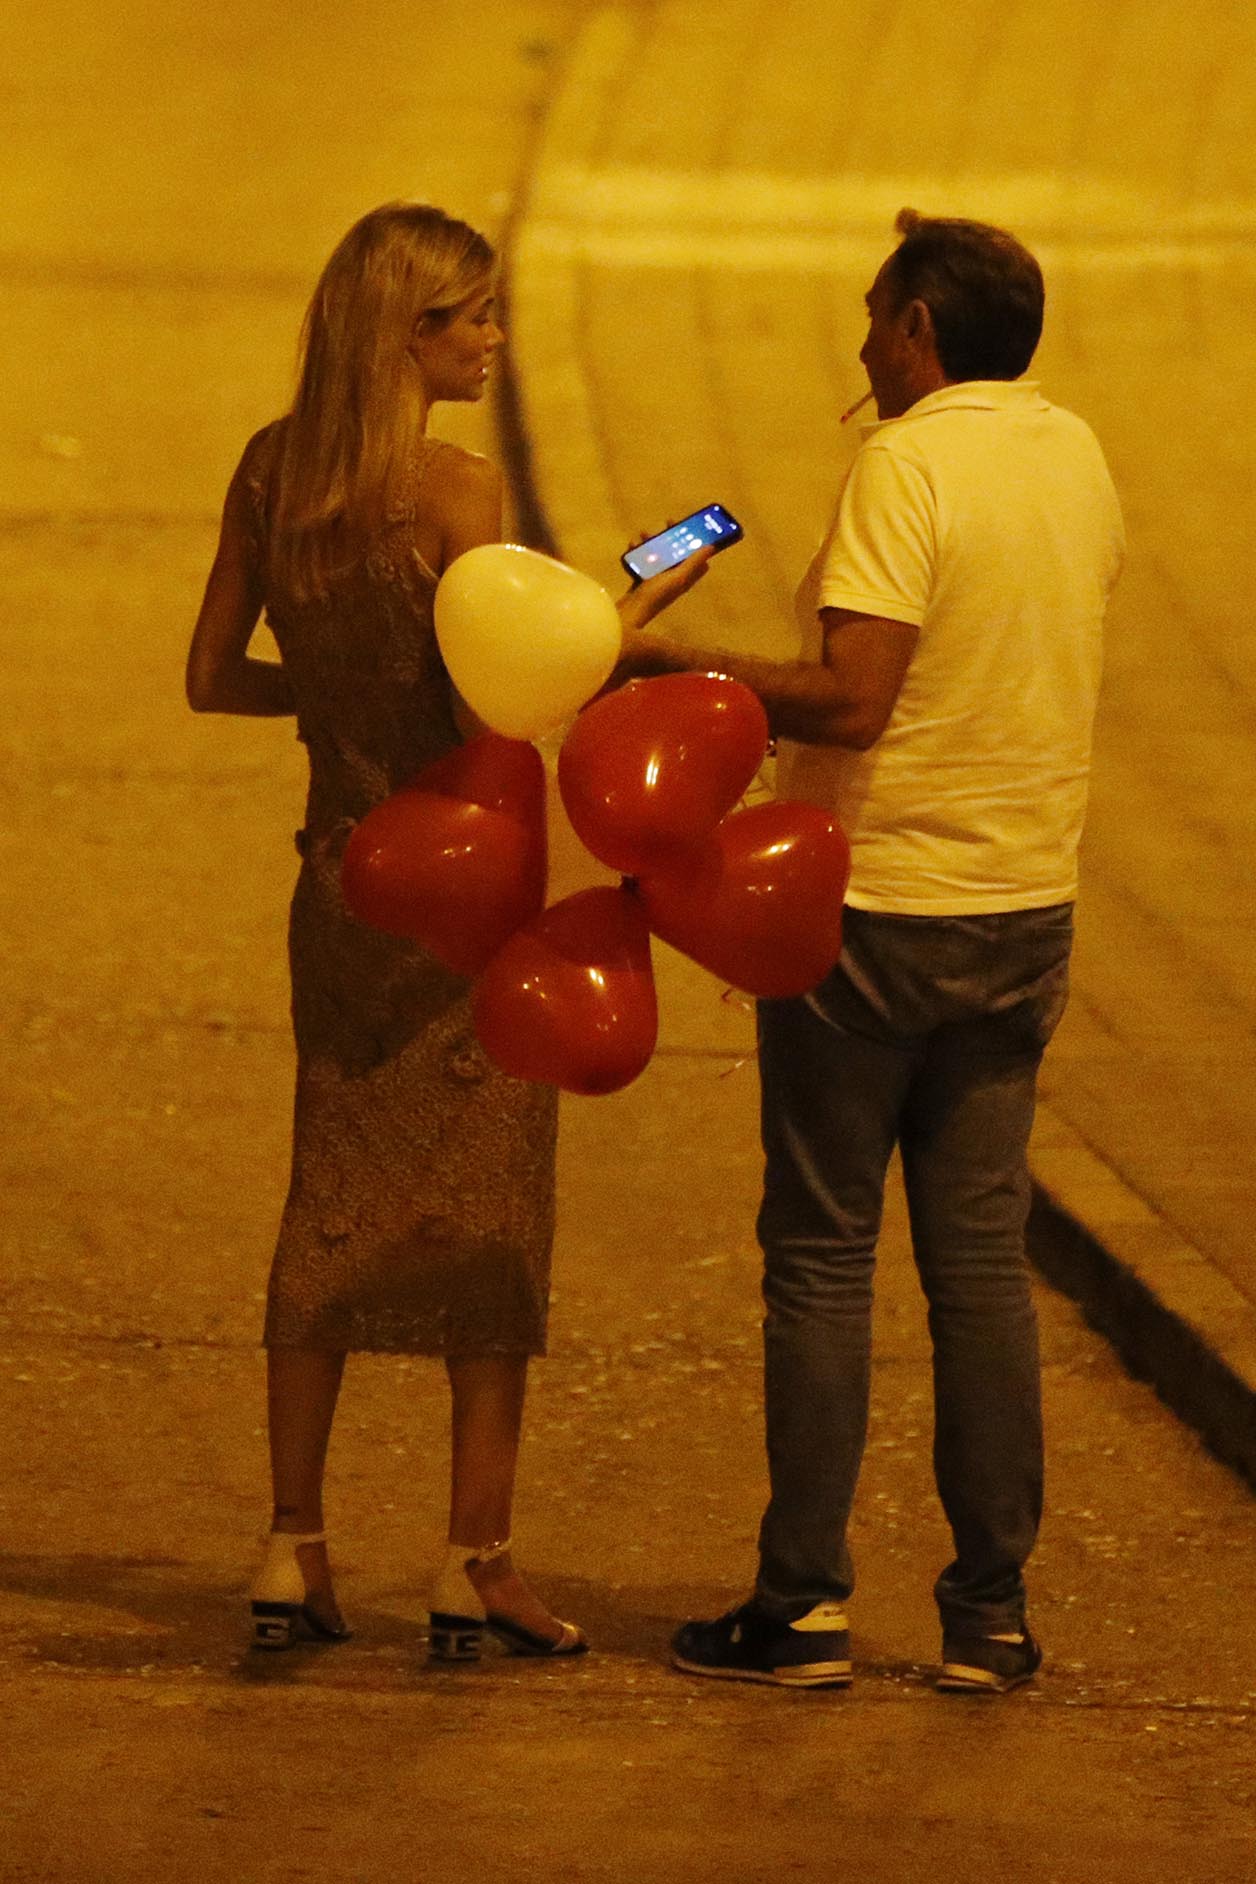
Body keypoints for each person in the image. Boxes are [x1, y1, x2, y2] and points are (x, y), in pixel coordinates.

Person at [616, 210, 1125, 1693]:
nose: (855, 342)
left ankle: (804, 1605)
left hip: (880, 911)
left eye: (869, 317)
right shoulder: (1074, 452)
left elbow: (854, 700)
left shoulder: (906, 464)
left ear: (918, 332)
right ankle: (990, 1616)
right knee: (977, 1267)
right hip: (1025, 907)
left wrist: (673, 660)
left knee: (825, 1256)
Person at [185, 202, 694, 1662]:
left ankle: (292, 1544)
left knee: (325, 1193)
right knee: (492, 1215)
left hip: (340, 882)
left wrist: (339, 710)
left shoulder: (274, 471)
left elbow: (213, 678)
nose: (493, 341)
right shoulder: (459, 495)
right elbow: (502, 707)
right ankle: (475, 1560)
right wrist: (620, 619)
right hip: (468, 893)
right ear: (412, 333)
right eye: (474, 318)